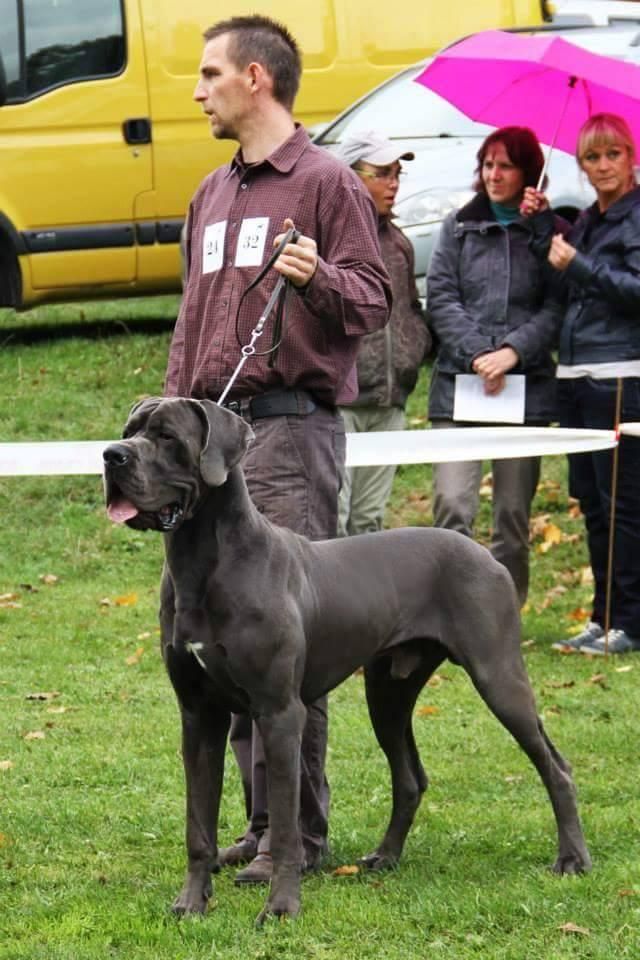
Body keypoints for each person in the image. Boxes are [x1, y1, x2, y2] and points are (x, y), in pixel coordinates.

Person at [164, 15, 391, 883]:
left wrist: (318, 275)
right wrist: (165, 429)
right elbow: (191, 321)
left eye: (210, 74)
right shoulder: (210, 194)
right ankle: (263, 824)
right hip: (205, 446)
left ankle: (298, 837)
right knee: (218, 630)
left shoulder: (326, 182)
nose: (198, 91)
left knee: (284, 636)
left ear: (255, 78)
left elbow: (373, 300)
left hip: (290, 432)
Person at [426, 126, 564, 606]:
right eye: (487, 164)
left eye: (505, 166)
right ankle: (448, 612)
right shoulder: (457, 226)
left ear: (529, 173)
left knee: (512, 515)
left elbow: (557, 306)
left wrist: (513, 352)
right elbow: (441, 296)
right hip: (458, 387)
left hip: (523, 392)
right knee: (452, 505)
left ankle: (506, 614)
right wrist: (479, 354)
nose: (493, 174)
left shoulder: (548, 233)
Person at [524, 113, 640, 655]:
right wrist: (540, 227)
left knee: (623, 507)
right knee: (593, 504)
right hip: (575, 374)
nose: (603, 166)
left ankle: (629, 622)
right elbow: (561, 275)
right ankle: (602, 617)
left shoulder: (635, 217)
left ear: (631, 157)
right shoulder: (591, 219)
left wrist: (581, 265)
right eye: (592, 157)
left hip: (619, 375)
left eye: (613, 154)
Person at [334, 132, 431, 535]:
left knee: (369, 521)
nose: (393, 184)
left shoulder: (398, 243)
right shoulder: (327, 236)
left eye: (397, 174)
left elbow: (410, 309)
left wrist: (413, 349)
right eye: (383, 173)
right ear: (351, 176)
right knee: (334, 520)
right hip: (340, 404)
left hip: (390, 400)